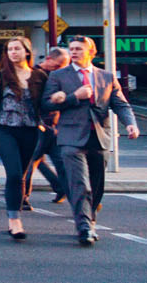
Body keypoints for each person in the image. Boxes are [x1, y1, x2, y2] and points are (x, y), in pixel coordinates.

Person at [43, 36, 140, 246]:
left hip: (99, 138)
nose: (74, 52)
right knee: (80, 184)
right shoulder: (58, 76)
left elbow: (120, 103)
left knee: (96, 186)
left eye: (79, 49)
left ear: (91, 52)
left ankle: (90, 220)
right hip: (70, 138)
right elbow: (46, 105)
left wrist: (130, 123)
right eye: (72, 49)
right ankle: (84, 227)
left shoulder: (106, 76)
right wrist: (74, 96)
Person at [0, 35, 46, 240]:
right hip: (4, 129)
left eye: (17, 48)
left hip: (30, 130)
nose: (13, 52)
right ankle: (14, 221)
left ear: (27, 51)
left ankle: (17, 210)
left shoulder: (39, 76)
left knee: (22, 176)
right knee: (14, 173)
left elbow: (47, 103)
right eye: (9, 49)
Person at [24, 47, 70, 208]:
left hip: (54, 126)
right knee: (32, 160)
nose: (60, 69)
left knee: (58, 161)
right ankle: (23, 197)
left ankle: (62, 188)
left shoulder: (57, 76)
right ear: (49, 59)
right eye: (58, 65)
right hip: (39, 125)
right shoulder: (34, 75)